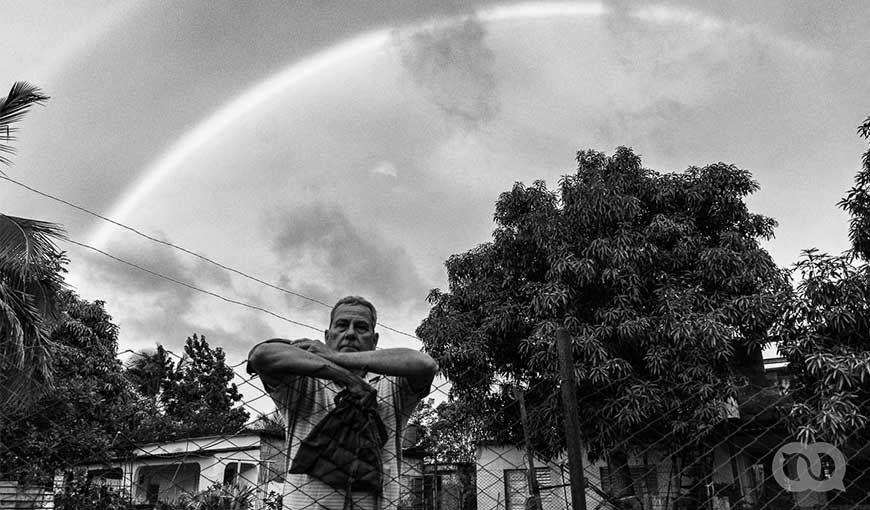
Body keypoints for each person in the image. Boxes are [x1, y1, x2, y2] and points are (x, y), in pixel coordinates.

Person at [247, 296, 437, 510]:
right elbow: (261, 355)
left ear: (374, 341)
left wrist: (335, 357)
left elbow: (425, 364)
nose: (350, 334)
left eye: (361, 327)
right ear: (327, 336)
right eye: (342, 325)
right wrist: (347, 378)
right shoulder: (305, 382)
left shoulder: (391, 386)